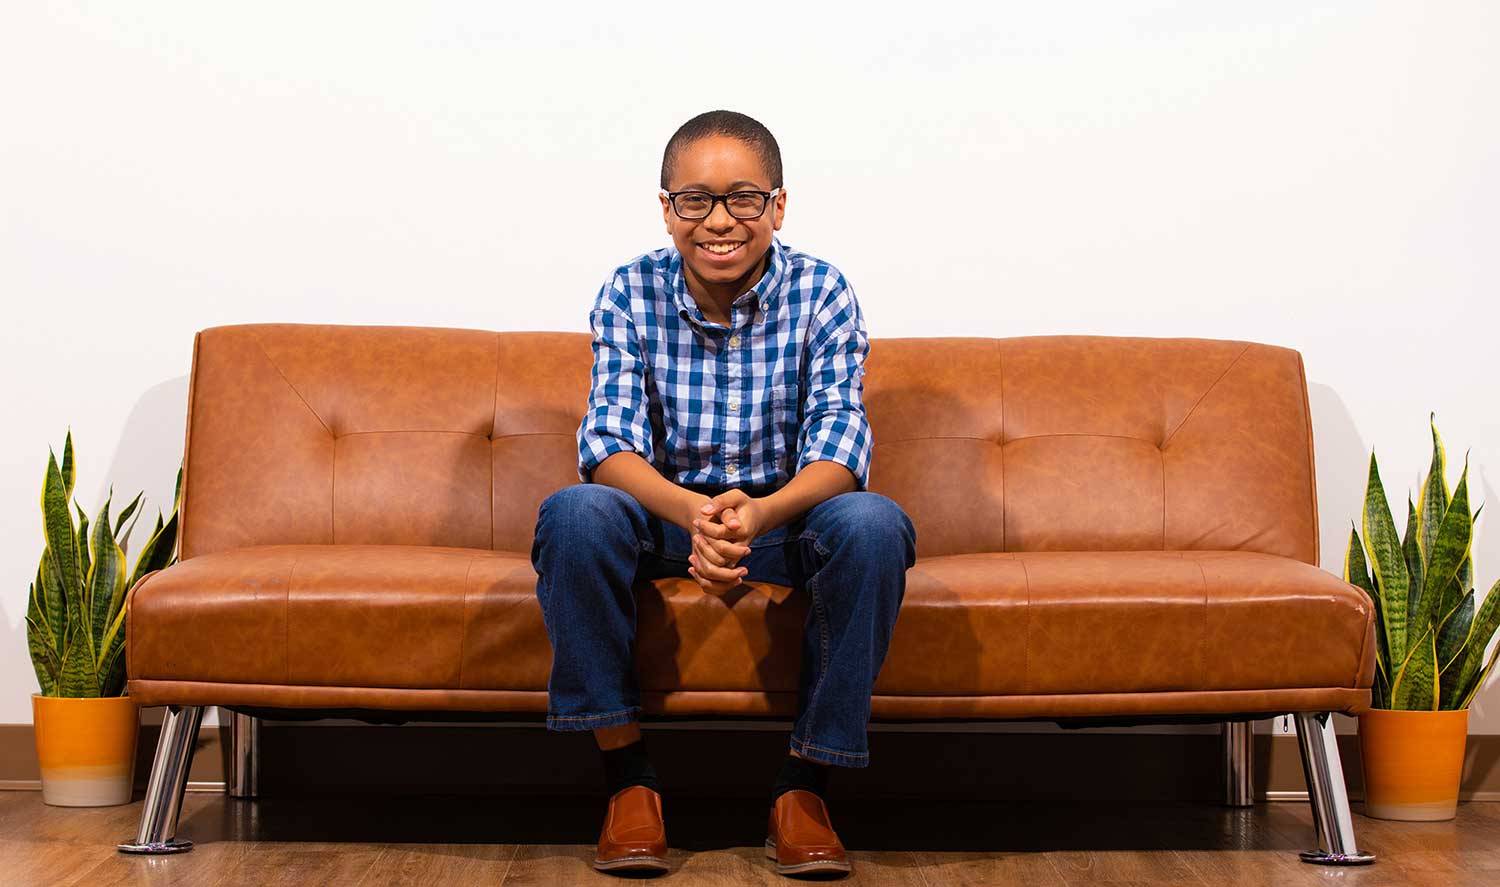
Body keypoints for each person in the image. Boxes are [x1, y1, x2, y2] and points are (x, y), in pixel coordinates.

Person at [531, 109, 917, 878]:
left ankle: (805, 787)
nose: (718, 221)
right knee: (573, 514)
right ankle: (628, 780)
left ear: (778, 205)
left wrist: (761, 512)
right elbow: (607, 443)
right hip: (665, 518)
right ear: (666, 207)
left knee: (874, 524)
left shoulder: (822, 290)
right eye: (695, 200)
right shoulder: (630, 289)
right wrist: (691, 513)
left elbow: (841, 448)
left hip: (785, 520)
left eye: (742, 198)